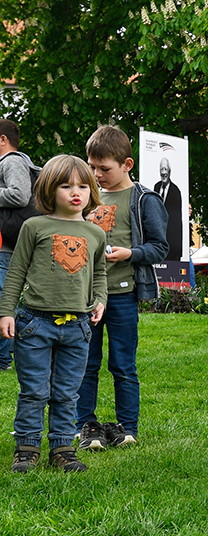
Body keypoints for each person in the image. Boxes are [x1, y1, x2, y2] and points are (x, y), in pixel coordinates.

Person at [0, 155, 108, 473]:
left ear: (91, 191)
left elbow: (99, 273)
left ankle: (62, 448)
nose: (76, 193)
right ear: (49, 189)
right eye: (66, 186)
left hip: (78, 326)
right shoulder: (34, 227)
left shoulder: (96, 233)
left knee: (67, 393)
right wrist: (6, 313)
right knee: (34, 391)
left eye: (83, 186)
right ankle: (27, 448)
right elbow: (16, 273)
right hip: (35, 324)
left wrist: (100, 299)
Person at [76, 124, 170, 450]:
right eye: (92, 167)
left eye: (104, 168)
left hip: (123, 295)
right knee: (85, 364)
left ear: (127, 164)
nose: (96, 174)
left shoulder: (144, 199)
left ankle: (127, 427)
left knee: (123, 365)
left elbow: (160, 247)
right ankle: (84, 424)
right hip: (87, 296)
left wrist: (130, 253)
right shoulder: (87, 196)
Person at [0, 118, 39, 372]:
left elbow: (19, 194)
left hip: (7, 247)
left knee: (4, 301)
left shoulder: (11, 161)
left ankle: (3, 359)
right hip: (8, 243)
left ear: (3, 139)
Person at [153, 156, 185, 260]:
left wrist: (177, 250)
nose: (163, 172)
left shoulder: (175, 191)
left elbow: (177, 222)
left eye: (165, 169)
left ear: (170, 171)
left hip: (170, 245)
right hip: (157, 243)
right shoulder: (156, 187)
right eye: (161, 169)